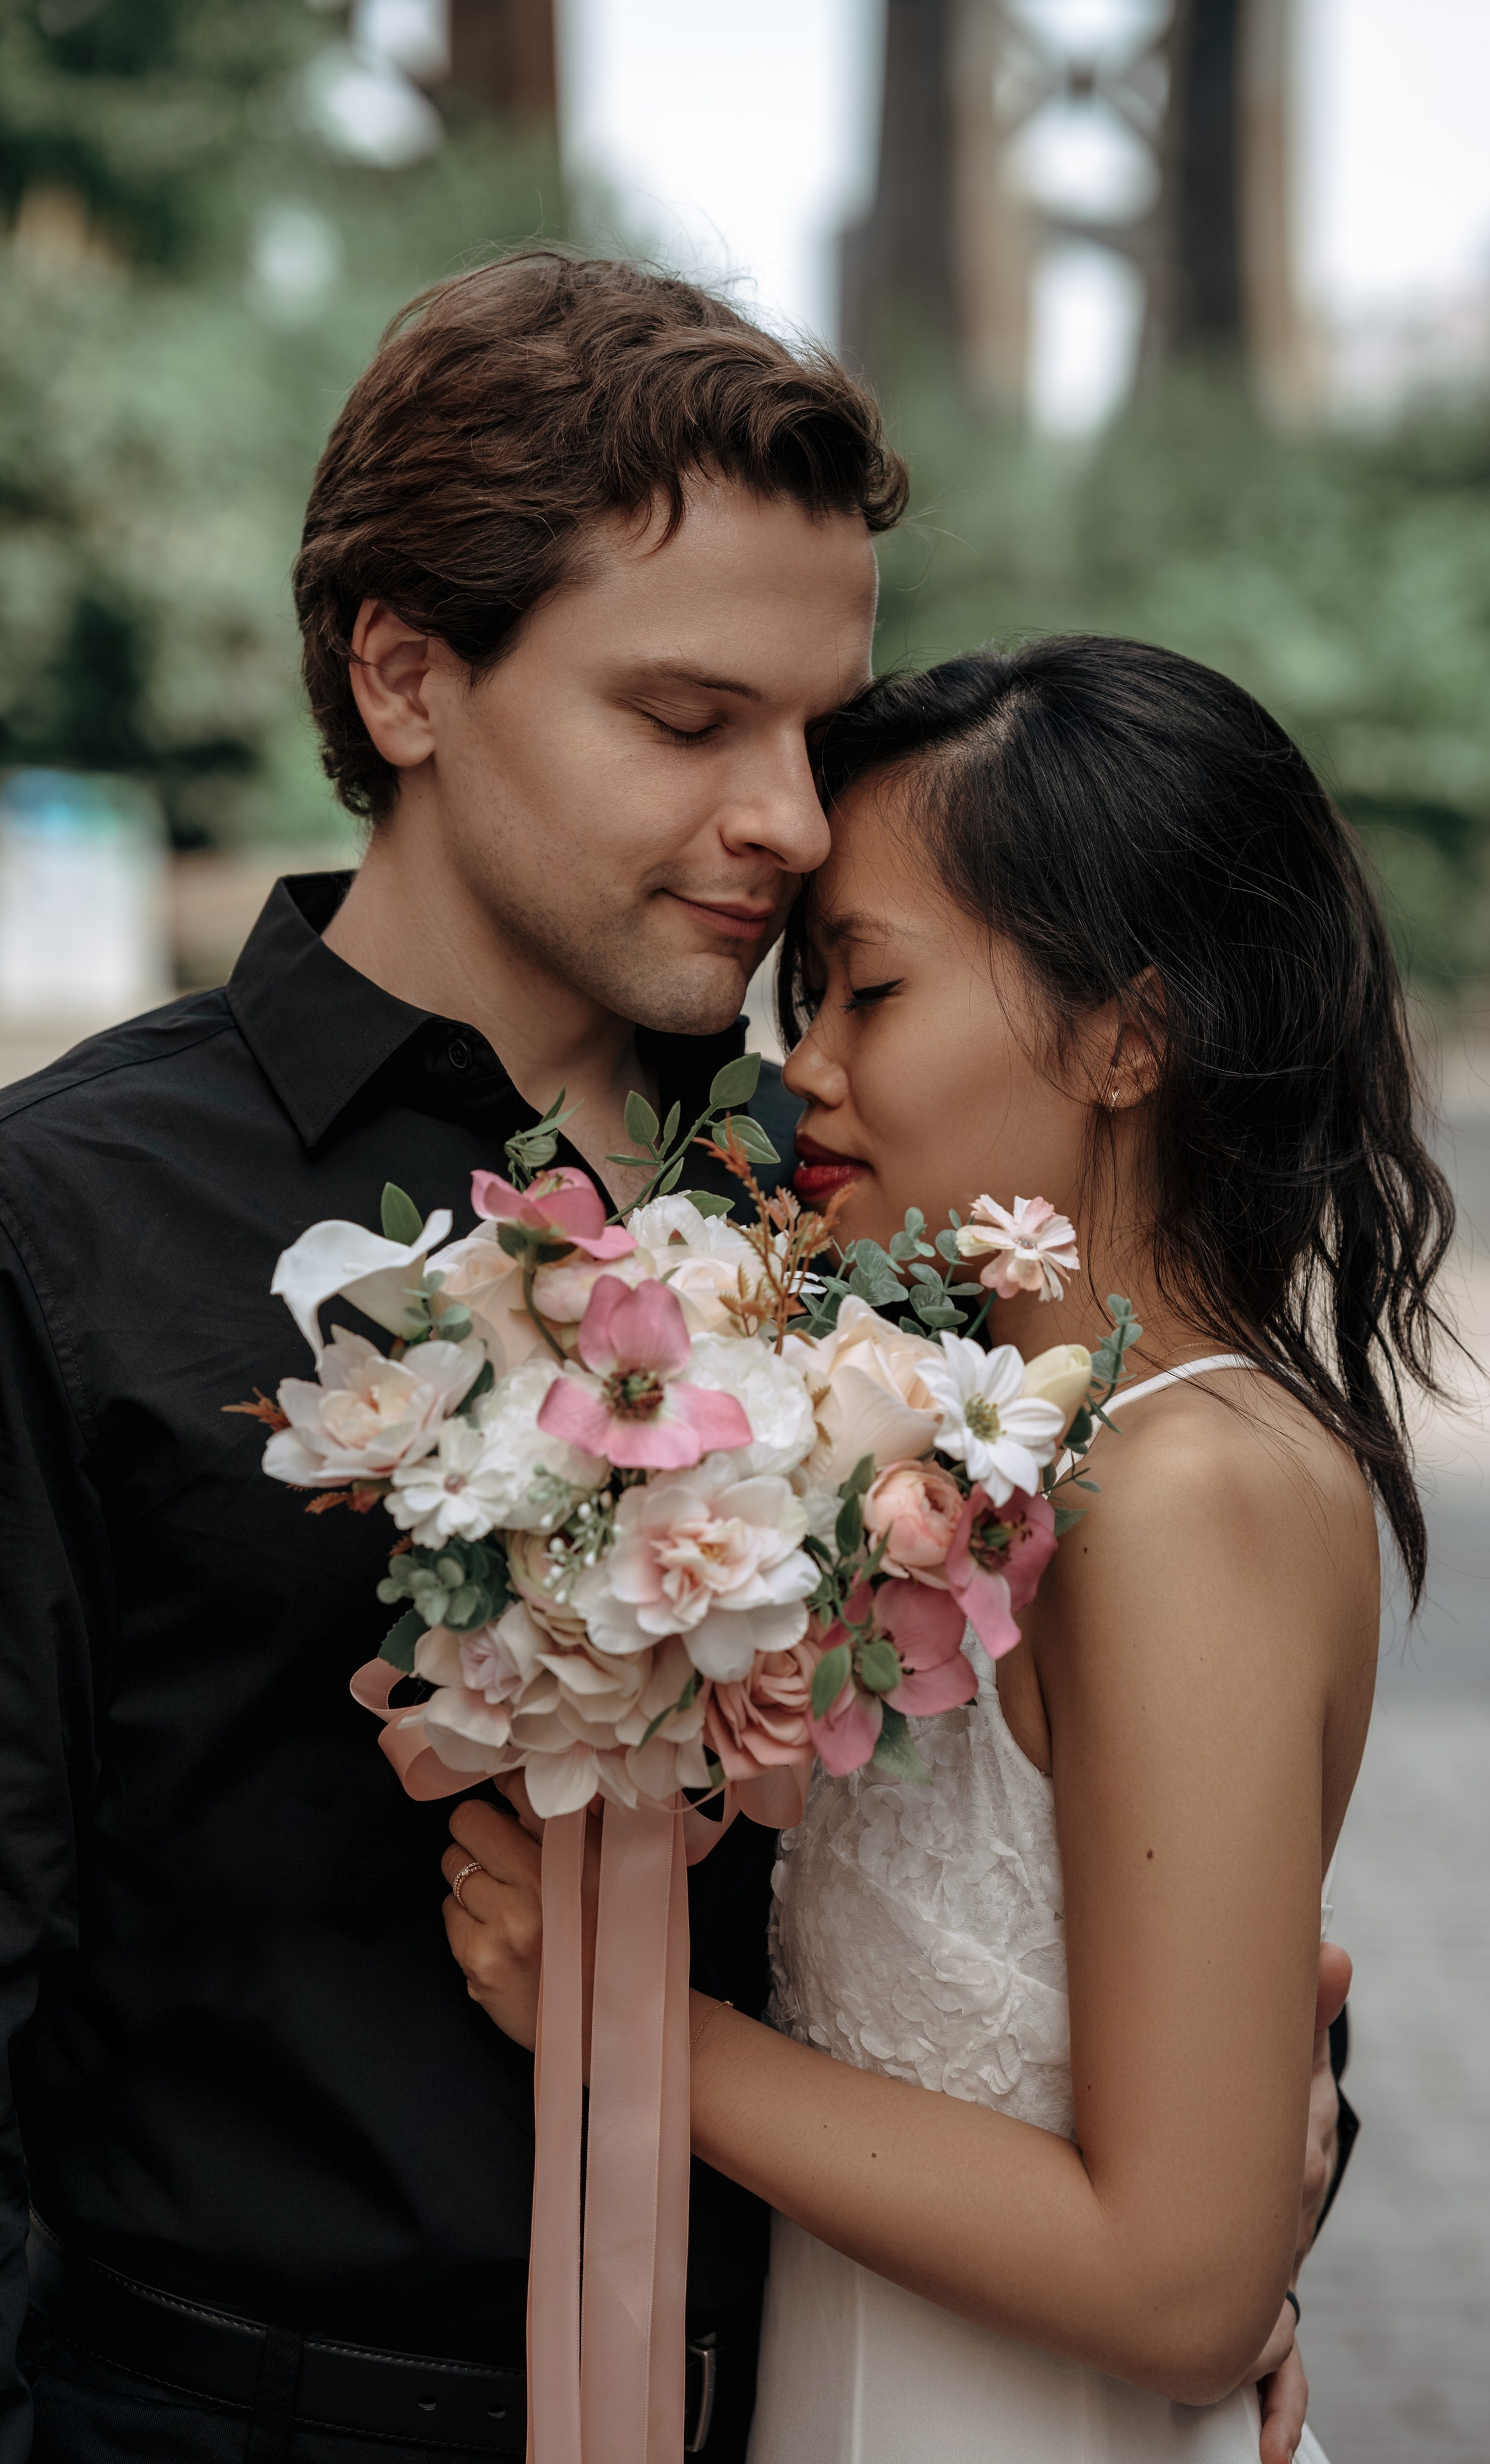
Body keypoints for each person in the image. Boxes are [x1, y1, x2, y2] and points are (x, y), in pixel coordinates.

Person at [0, 248, 900, 2464]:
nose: (792, 820)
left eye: (820, 735)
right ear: (405, 677)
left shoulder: (857, 1201)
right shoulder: (64, 1223)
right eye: (689, 722)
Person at [447, 637, 1453, 2461]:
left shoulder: (1182, 1490)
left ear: (1129, 1036)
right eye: (806, 999)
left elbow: (1182, 2289)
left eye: (870, 990)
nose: (807, 1072)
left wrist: (619, 2021)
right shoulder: (1005, 1443)